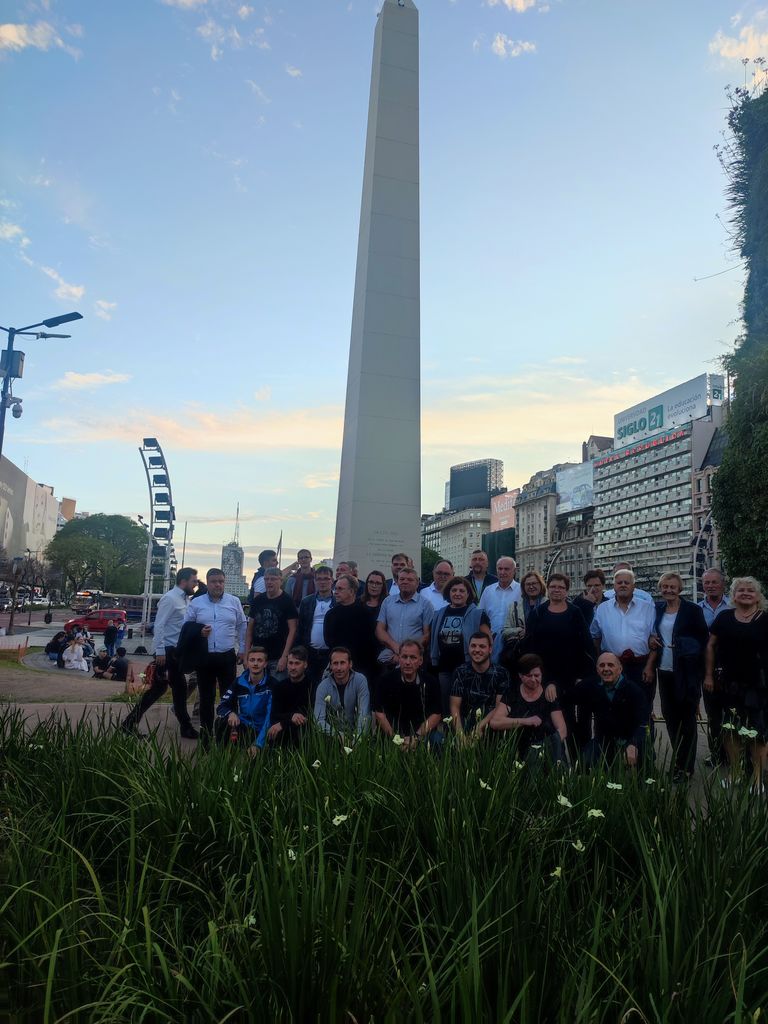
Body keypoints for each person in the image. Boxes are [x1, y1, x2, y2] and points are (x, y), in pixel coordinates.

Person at [704, 577, 768, 791]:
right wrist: (709, 675)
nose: (746, 593)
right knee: (730, 730)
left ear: (758, 596)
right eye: (741, 590)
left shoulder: (765, 619)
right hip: (729, 684)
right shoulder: (724, 617)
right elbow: (710, 646)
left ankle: (757, 779)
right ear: (733, 595)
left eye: (750, 590)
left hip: (758, 685)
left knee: (758, 732)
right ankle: (736, 773)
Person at [121, 567, 200, 740]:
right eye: (194, 581)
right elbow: (159, 625)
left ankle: (129, 723)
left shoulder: (185, 599)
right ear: (184, 581)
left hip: (175, 651)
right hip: (168, 651)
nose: (196, 584)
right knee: (179, 689)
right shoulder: (170, 599)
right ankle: (186, 727)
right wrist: (160, 651)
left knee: (159, 689)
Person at [644, 572, 708, 780]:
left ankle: (686, 768)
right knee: (670, 718)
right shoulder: (657, 609)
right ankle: (679, 762)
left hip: (687, 671)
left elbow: (703, 641)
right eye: (665, 586)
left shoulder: (692, 610)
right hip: (665, 671)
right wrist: (651, 639)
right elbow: (651, 632)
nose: (668, 590)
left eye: (672, 587)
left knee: (687, 720)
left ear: (680, 589)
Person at [525, 573, 594, 754]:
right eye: (553, 586)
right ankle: (552, 760)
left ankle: (576, 763)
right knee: (547, 722)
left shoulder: (575, 613)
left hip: (569, 678)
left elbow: (586, 645)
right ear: (547, 588)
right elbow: (530, 647)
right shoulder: (538, 613)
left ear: (567, 591)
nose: (557, 590)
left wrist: (583, 676)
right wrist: (546, 680)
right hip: (542, 677)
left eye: (561, 587)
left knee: (569, 722)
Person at [183, 568, 248, 740]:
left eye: (221, 581)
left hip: (227, 656)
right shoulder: (197, 603)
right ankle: (206, 736)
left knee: (229, 696)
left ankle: (226, 735)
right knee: (206, 698)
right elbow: (186, 626)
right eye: (213, 582)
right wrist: (199, 632)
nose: (217, 585)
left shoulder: (234, 601)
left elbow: (242, 626)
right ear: (207, 583)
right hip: (205, 657)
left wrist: (242, 649)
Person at [565, 652, 650, 768]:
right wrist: (552, 685)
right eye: (602, 665)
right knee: (583, 763)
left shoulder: (635, 691)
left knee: (642, 770)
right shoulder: (590, 685)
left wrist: (633, 744)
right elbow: (566, 697)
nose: (606, 669)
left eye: (610, 665)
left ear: (620, 669)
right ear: (597, 670)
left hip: (630, 743)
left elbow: (644, 724)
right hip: (603, 742)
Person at [485, 652, 567, 762]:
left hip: (546, 751)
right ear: (520, 675)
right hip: (518, 751)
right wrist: (526, 721)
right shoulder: (512, 693)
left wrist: (543, 748)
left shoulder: (548, 695)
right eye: (529, 676)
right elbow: (495, 722)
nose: (533, 679)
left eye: (537, 676)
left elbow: (562, 730)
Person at [429, 577, 491, 716]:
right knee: (446, 705)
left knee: (467, 705)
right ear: (448, 593)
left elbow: (488, 641)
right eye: (454, 590)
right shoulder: (439, 614)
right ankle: (449, 729)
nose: (458, 593)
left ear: (468, 594)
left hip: (469, 667)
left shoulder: (478, 614)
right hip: (444, 667)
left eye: (462, 591)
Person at [590, 569, 656, 691]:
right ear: (614, 586)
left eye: (627, 582)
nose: (623, 585)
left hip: (641, 667)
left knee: (642, 701)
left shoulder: (648, 608)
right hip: (611, 667)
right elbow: (595, 637)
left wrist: (650, 666)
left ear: (634, 586)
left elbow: (655, 641)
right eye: (619, 582)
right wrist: (600, 661)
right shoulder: (602, 609)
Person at [374, 639, 442, 748]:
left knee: (437, 739)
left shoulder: (431, 681)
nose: (408, 662)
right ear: (399, 658)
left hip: (421, 734)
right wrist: (396, 739)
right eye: (404, 657)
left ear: (420, 660)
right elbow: (379, 713)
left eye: (413, 657)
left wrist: (416, 737)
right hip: (392, 735)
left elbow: (436, 714)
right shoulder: (385, 680)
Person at [698, 568, 731, 766]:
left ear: (723, 584)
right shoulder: (696, 609)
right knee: (713, 714)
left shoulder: (733, 605)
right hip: (707, 666)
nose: (710, 586)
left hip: (732, 665)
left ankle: (737, 755)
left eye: (714, 582)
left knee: (734, 713)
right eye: (706, 583)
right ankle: (717, 754)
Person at [449, 632, 510, 739]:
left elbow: (499, 707)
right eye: (473, 646)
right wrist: (460, 736)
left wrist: (480, 727)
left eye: (482, 646)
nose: (477, 650)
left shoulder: (501, 673)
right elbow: (454, 706)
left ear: (490, 649)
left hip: (490, 723)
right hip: (465, 722)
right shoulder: (460, 672)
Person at [216, 647, 272, 754]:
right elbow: (222, 705)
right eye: (252, 660)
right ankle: (222, 758)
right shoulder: (239, 682)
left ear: (265, 664)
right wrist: (231, 713)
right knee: (221, 722)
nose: (255, 664)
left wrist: (258, 744)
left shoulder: (272, 685)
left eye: (259, 660)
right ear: (247, 662)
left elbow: (270, 717)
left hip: (263, 730)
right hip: (244, 726)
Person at [246, 567, 298, 680]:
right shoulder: (258, 600)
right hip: (258, 656)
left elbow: (293, 630)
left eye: (273, 579)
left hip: (277, 657)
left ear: (281, 581)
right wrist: (247, 654)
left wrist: (285, 656)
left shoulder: (287, 601)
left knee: (277, 689)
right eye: (267, 579)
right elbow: (249, 629)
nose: (269, 582)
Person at [323, 573, 378, 681]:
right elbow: (329, 641)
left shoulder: (366, 614)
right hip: (339, 667)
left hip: (363, 668)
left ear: (352, 591)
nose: (336, 592)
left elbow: (371, 642)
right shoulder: (330, 615)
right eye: (335, 589)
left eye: (340, 589)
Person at [376, 567, 433, 668]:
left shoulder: (426, 604)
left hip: (414, 661)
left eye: (410, 579)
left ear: (417, 583)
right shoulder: (387, 602)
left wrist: (407, 652)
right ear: (397, 582)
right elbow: (379, 630)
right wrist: (396, 648)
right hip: (391, 659)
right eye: (402, 579)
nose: (405, 582)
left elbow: (427, 635)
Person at [314, 646, 370, 741]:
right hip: (333, 737)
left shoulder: (360, 680)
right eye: (335, 663)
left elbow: (364, 713)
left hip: (357, 734)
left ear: (350, 664)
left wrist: (357, 739)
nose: (339, 668)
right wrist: (339, 736)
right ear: (330, 666)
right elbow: (318, 720)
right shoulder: (323, 686)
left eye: (342, 663)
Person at [296, 565, 334, 687]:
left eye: (326, 579)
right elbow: (301, 628)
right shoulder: (306, 601)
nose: (322, 582)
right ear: (315, 581)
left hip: (331, 654)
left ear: (332, 580)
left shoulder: (338, 602)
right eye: (319, 579)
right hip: (310, 653)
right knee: (310, 687)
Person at [479, 557, 522, 663]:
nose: (502, 572)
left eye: (506, 569)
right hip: (491, 642)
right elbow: (480, 615)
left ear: (514, 571)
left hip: (514, 643)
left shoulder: (522, 590)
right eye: (500, 569)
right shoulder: (488, 591)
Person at [267, 646, 311, 747]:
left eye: (297, 663)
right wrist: (291, 717)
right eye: (290, 663)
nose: (293, 667)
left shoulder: (313, 685)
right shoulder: (279, 687)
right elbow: (274, 715)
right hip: (283, 731)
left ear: (305, 665)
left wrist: (284, 723)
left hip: (305, 730)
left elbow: (309, 715)